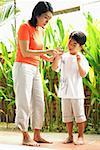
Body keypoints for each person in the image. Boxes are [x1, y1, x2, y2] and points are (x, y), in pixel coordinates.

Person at [12, 1, 56, 146]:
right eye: (45, 18)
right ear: (37, 15)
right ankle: (25, 135)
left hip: (35, 68)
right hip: (23, 67)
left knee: (39, 101)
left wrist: (49, 57)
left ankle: (37, 134)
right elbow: (25, 52)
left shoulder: (40, 30)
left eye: (49, 19)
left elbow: (37, 52)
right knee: (24, 100)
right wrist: (45, 51)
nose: (47, 22)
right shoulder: (25, 27)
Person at [52, 31, 89, 145]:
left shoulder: (82, 58)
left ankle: (81, 136)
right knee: (67, 116)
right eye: (70, 42)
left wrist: (78, 62)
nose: (70, 46)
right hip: (64, 92)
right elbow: (54, 68)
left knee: (79, 115)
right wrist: (57, 57)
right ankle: (69, 136)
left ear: (80, 47)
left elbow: (83, 74)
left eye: (74, 44)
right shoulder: (64, 56)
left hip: (76, 93)